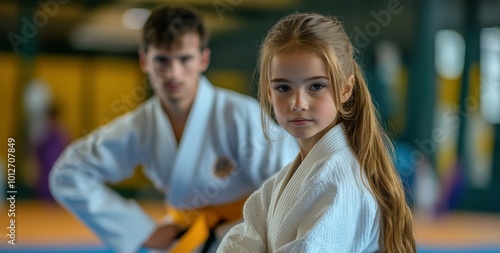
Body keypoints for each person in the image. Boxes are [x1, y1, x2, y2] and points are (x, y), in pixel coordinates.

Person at [49, 5, 296, 253]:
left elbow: (290, 182)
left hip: (248, 235)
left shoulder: (240, 114)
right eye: (162, 60)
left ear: (203, 59)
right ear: (144, 60)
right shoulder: (140, 126)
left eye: (184, 59)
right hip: (186, 238)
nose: (173, 74)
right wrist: (141, 230)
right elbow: (68, 173)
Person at [218, 12, 416, 252]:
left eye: (316, 86)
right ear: (269, 93)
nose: (298, 103)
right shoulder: (279, 184)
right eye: (283, 87)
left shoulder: (338, 182)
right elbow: (238, 242)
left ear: (346, 89)